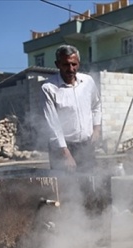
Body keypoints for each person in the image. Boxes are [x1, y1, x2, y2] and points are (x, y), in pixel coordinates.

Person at [41, 44, 102, 172]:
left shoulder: (88, 82)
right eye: (66, 65)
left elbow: (96, 105)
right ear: (57, 64)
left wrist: (96, 129)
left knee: (90, 184)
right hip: (62, 148)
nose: (71, 69)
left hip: (86, 147)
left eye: (74, 64)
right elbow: (53, 124)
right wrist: (65, 153)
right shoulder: (49, 88)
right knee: (66, 187)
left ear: (78, 63)